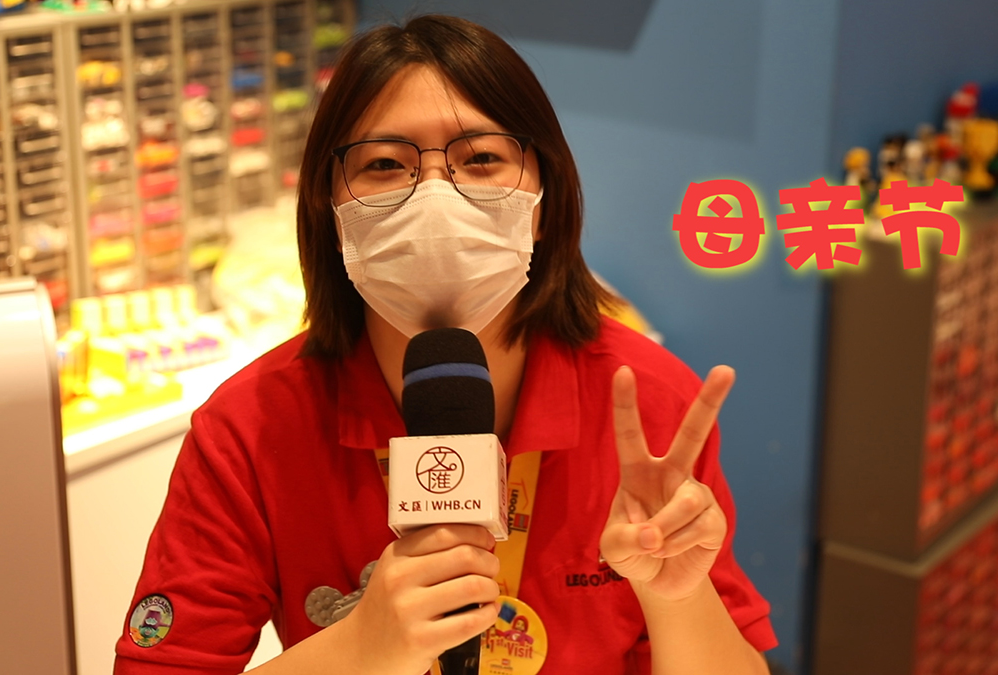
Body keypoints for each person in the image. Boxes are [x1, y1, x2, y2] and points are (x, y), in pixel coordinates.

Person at [114, 14, 776, 675]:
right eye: (384, 164)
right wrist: (360, 648)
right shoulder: (250, 427)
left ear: (544, 201)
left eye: (481, 158)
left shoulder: (646, 401)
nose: (434, 198)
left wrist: (677, 596)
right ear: (331, 208)